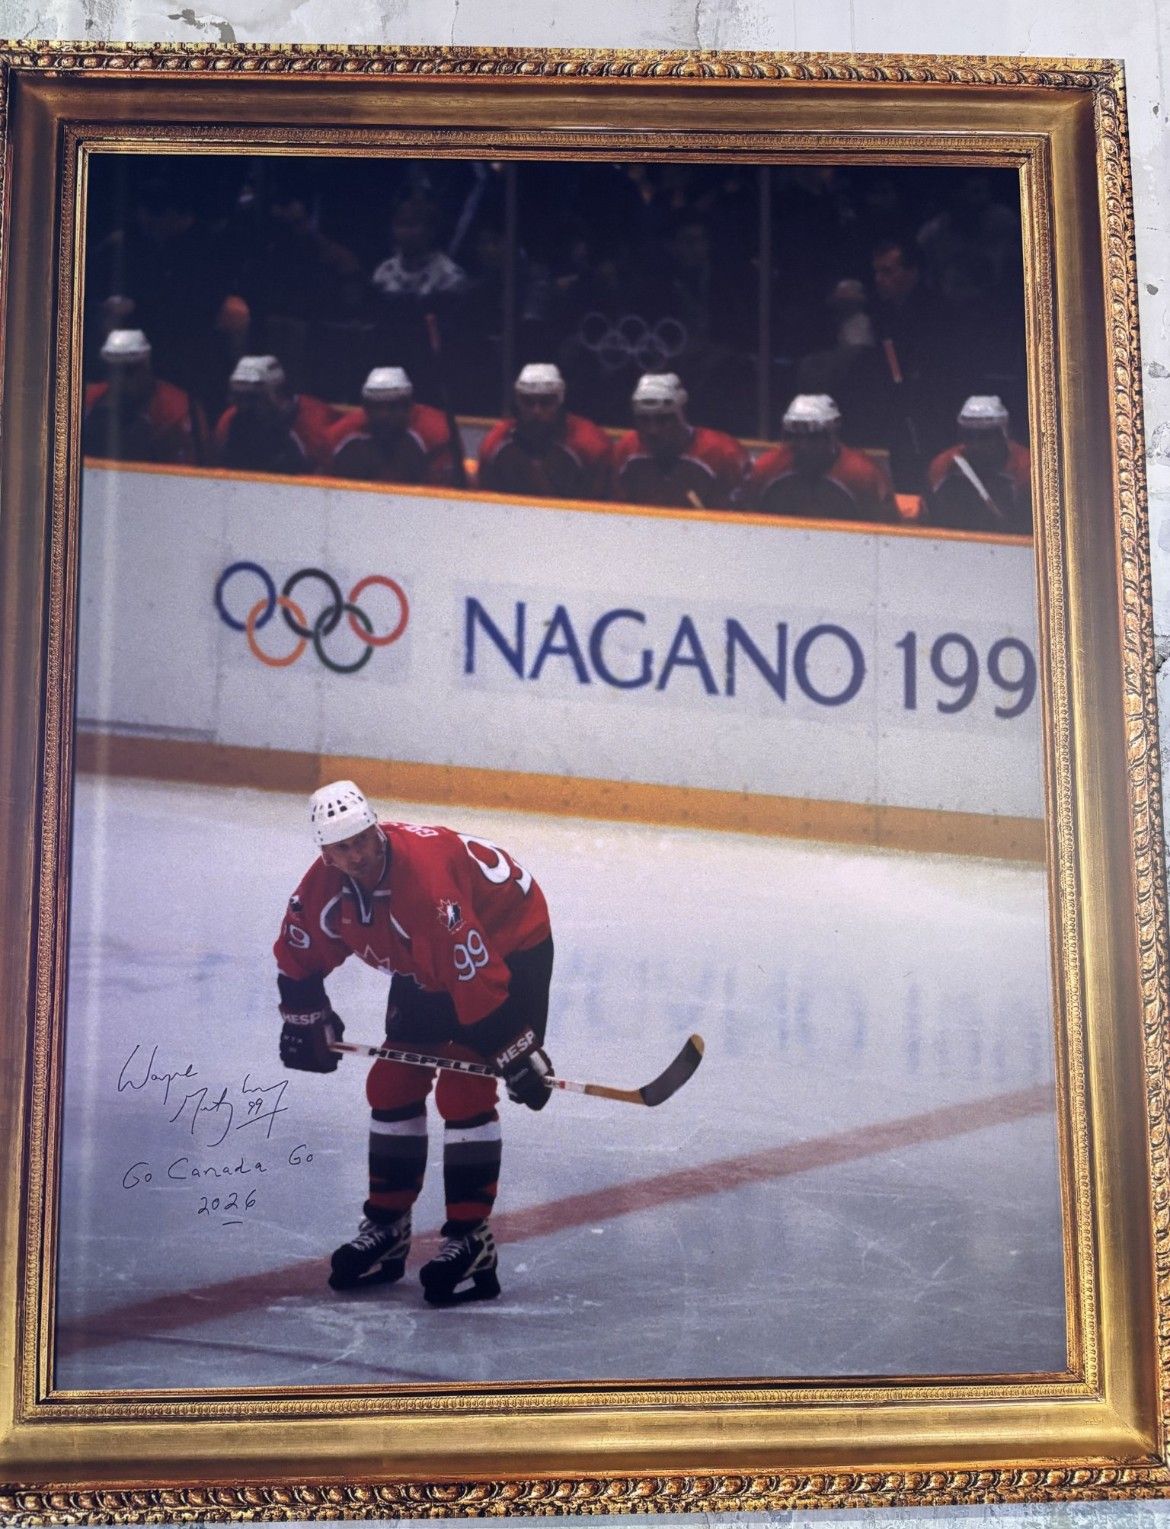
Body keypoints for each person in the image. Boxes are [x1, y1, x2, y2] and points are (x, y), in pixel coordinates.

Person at [274, 780, 555, 1305]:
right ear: (325, 853)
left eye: (362, 838)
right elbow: (299, 954)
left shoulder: (424, 883)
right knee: (392, 1081)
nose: (356, 854)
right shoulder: (325, 886)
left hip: (510, 945)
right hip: (429, 960)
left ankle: (471, 1239)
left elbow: (475, 977)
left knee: (463, 1087)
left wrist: (515, 1052)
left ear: (375, 825)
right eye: (341, 847)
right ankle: (386, 1228)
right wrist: (304, 1018)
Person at [738, 394, 896, 522]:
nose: (803, 445)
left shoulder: (865, 475)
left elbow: (887, 534)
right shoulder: (766, 469)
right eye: (796, 437)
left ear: (832, 435)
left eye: (813, 437)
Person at [477, 363, 612, 501]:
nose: (536, 411)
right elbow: (485, 502)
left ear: (560, 401)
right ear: (517, 402)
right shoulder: (494, 443)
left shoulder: (592, 446)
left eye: (546, 402)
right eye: (528, 401)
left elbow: (601, 508)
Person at [611, 372, 746, 509]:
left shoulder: (722, 453)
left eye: (663, 419)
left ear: (682, 414)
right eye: (644, 420)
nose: (653, 430)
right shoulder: (626, 450)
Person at [83, 329, 206, 466]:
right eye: (113, 371)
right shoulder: (90, 400)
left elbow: (188, 475)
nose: (120, 380)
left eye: (128, 371)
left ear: (146, 367)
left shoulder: (178, 410)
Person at [327, 367, 458, 487]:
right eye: (377, 407)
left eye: (393, 407)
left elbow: (445, 495)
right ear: (365, 408)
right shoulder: (342, 436)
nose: (384, 415)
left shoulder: (436, 433)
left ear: (408, 406)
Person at [925, 395, 1033, 534]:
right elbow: (927, 520)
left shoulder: (1029, 469)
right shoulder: (942, 467)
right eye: (969, 436)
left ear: (1004, 434)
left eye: (985, 436)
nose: (976, 445)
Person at [213, 355, 337, 475]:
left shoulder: (312, 424)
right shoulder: (229, 421)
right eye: (238, 398)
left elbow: (323, 480)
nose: (244, 407)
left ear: (279, 394)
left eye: (253, 398)